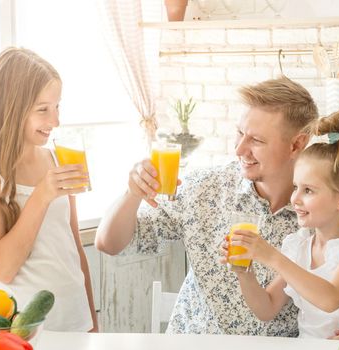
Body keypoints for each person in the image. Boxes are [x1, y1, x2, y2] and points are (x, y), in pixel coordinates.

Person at [96, 77, 320, 335]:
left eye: (256, 140)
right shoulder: (204, 188)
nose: (239, 149)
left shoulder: (323, 213)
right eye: (239, 133)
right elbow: (108, 243)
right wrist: (132, 193)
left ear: (296, 144)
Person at [0, 47, 98, 332]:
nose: (55, 121)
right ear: (10, 110)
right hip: (24, 333)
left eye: (57, 107)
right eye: (43, 110)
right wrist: (42, 195)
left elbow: (75, 248)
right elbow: (3, 269)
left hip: (76, 321)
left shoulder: (55, 159)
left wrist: (92, 320)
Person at [220, 109, 339, 338]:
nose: (295, 199)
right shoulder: (301, 247)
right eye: (295, 187)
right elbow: (267, 308)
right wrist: (244, 271)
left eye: (308, 190)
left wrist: (272, 256)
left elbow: (331, 298)